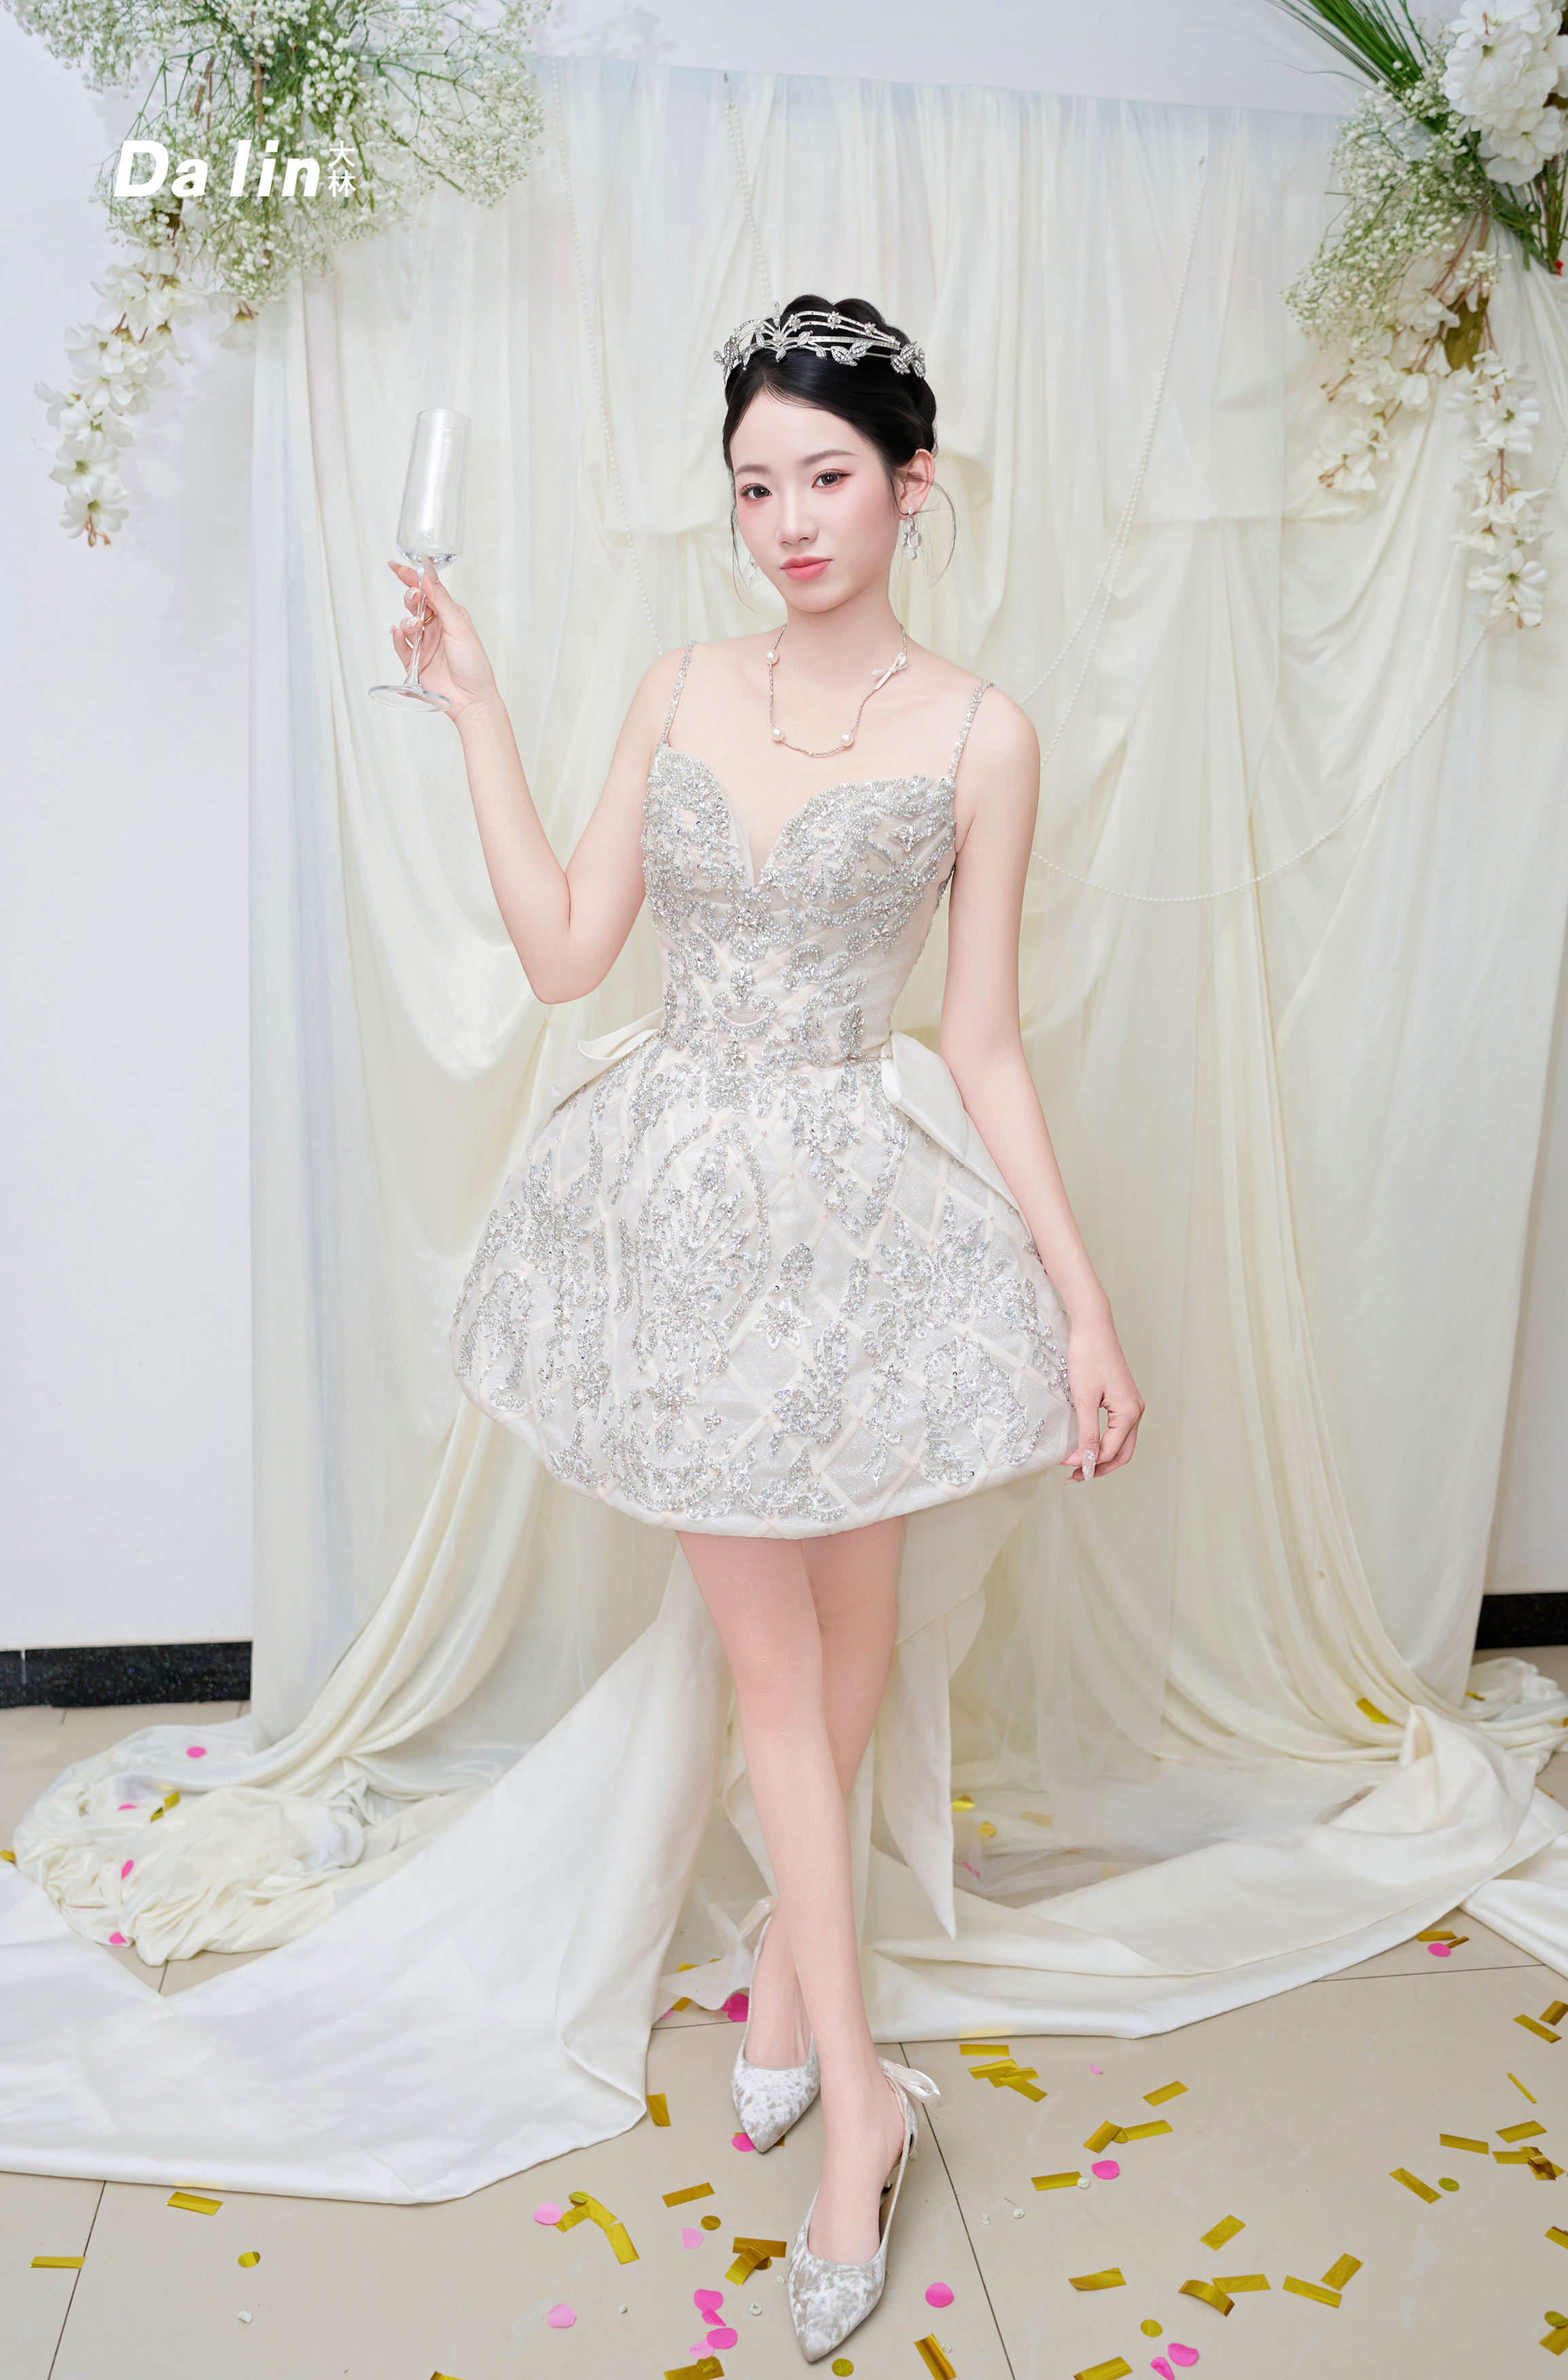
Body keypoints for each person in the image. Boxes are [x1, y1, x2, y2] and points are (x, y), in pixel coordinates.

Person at [385, 293, 1145, 2362]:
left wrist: (1085, 1308)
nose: (789, 521)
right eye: (753, 486)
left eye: (827, 477)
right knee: (775, 1668)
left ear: (911, 485)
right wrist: (476, 712)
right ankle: (862, 2117)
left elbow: (981, 1041)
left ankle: (801, 1999)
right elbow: (569, 954)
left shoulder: (982, 734)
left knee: (855, 1624)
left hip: (862, 1210)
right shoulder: (679, 684)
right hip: (687, 1219)